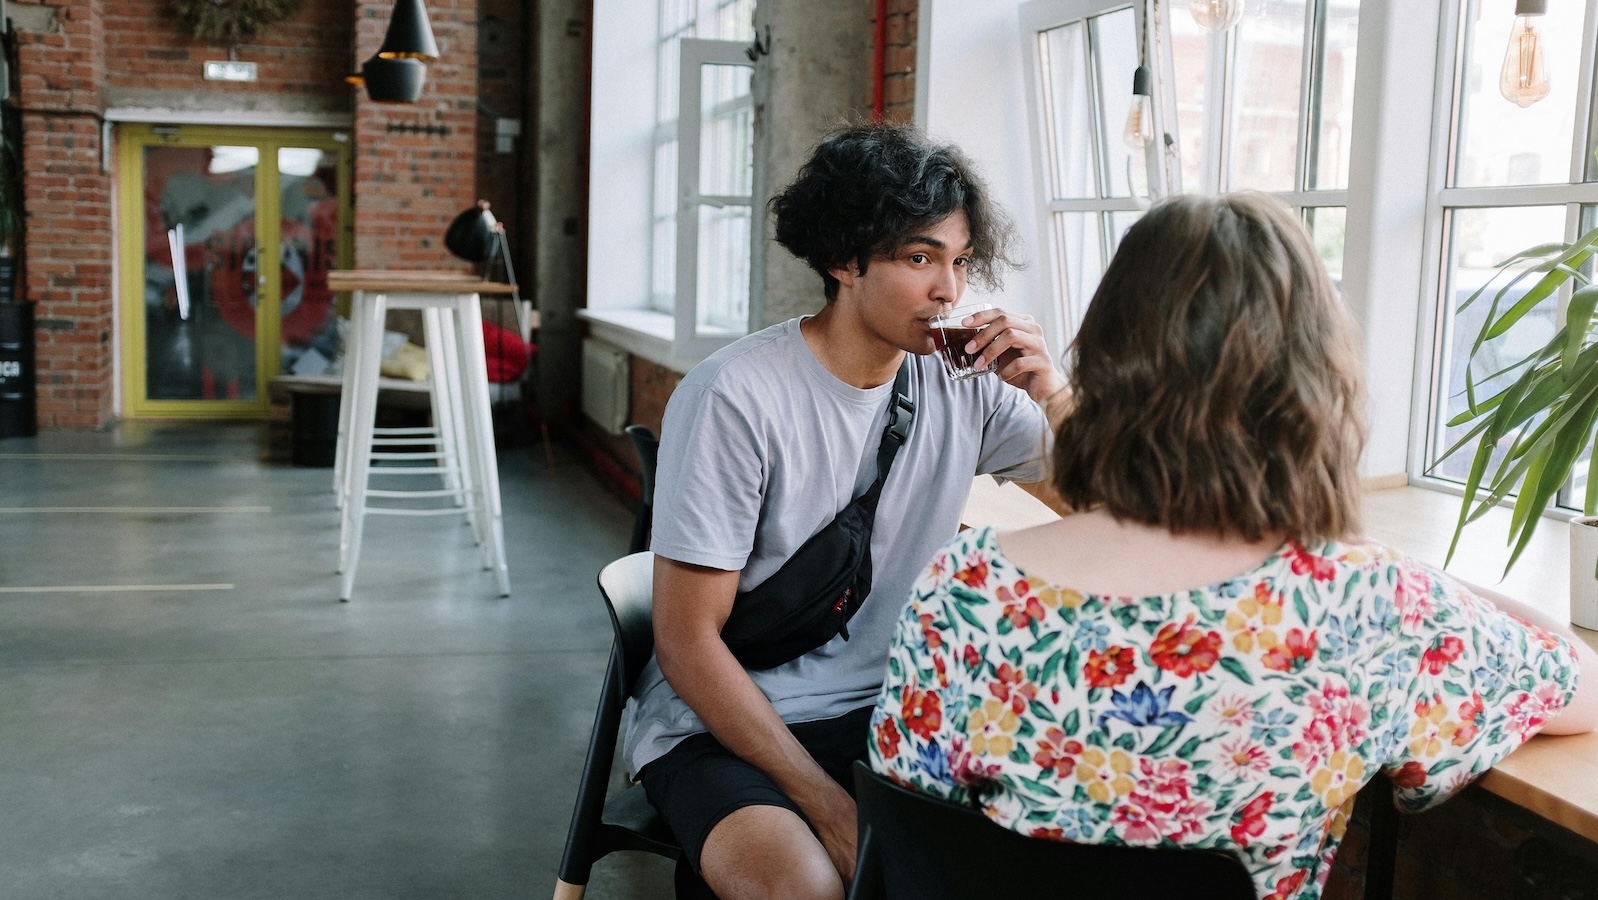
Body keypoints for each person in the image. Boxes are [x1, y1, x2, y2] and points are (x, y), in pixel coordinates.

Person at [868, 193, 1598, 900]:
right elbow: (1582, 688)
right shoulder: (1370, 599)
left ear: (1107, 354)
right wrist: (1398, 569)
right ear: (1312, 380)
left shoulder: (963, 585)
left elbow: (908, 836)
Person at [625, 122, 1071, 900]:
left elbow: (1116, 495)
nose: (948, 291)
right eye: (919, 257)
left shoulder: (962, 384)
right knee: (803, 883)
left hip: (887, 713)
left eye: (960, 262)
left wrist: (1055, 393)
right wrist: (827, 805)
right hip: (723, 724)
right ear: (843, 260)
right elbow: (687, 644)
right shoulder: (737, 395)